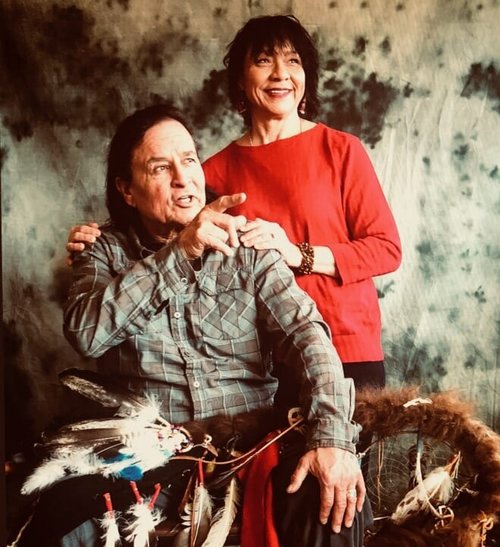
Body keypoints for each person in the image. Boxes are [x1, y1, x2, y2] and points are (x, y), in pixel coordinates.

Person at [50, 104, 370, 546]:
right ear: (126, 190)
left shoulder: (249, 249)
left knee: (332, 498)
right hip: (147, 458)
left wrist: (333, 438)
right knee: (63, 521)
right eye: (160, 168)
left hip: (252, 449)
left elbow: (308, 337)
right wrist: (179, 252)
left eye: (189, 160)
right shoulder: (103, 252)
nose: (183, 178)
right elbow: (88, 334)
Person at [67, 15, 402, 399]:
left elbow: (386, 249)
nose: (281, 74)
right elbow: (164, 231)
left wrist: (297, 254)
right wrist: (93, 238)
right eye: (264, 60)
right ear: (240, 80)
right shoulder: (210, 171)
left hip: (347, 344)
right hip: (265, 361)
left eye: (293, 61)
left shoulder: (341, 150)